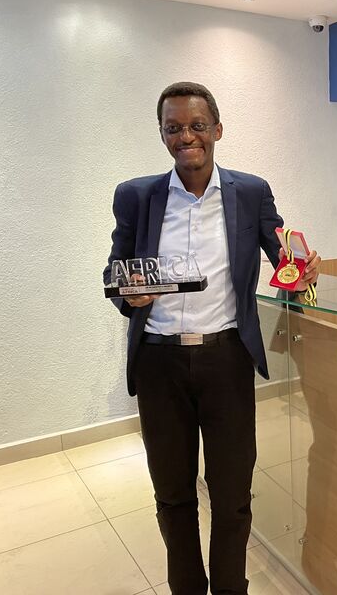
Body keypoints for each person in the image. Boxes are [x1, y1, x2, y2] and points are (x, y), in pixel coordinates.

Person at [103, 81, 320, 595]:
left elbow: (283, 260)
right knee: (173, 495)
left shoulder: (250, 191)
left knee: (231, 496)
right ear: (162, 135)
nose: (186, 137)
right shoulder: (136, 196)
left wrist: (304, 269)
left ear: (217, 130)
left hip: (227, 360)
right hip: (159, 363)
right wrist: (126, 293)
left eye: (197, 126)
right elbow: (115, 271)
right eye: (173, 128)